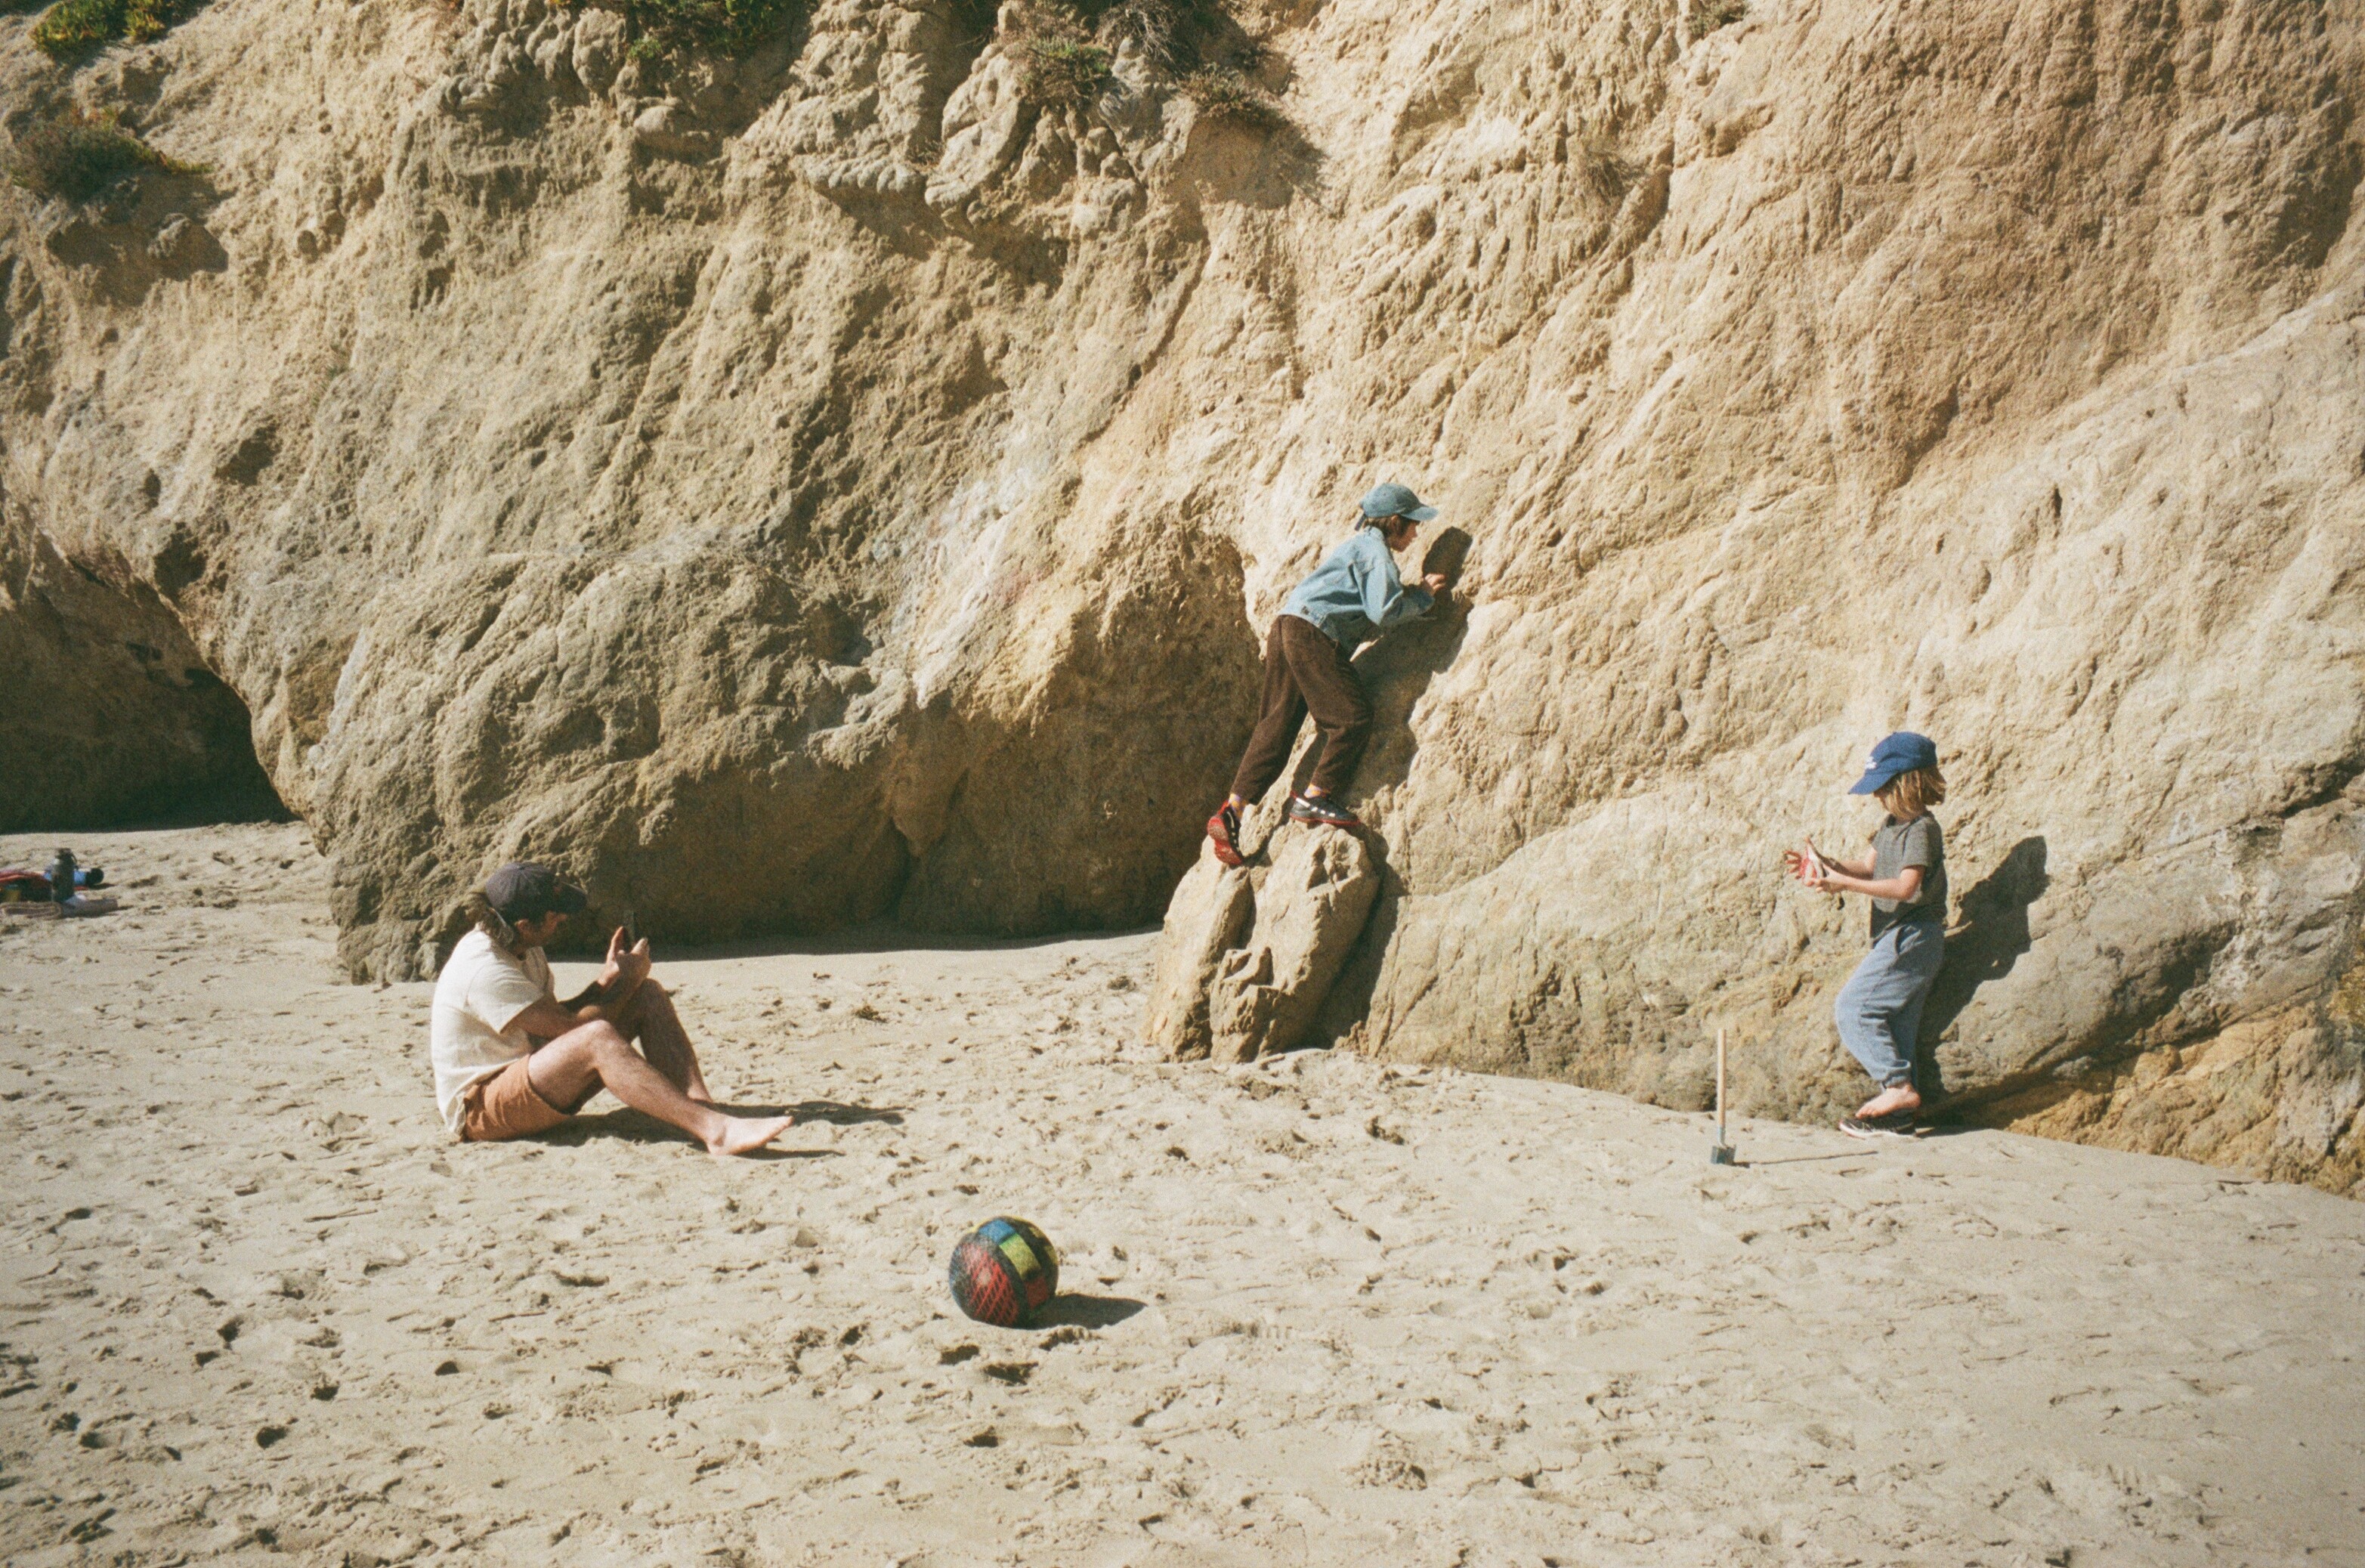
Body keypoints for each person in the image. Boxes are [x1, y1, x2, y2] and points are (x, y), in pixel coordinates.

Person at [428, 862, 793, 1156]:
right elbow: (572, 1029)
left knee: (647, 994)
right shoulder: (486, 968)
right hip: (479, 1109)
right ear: (525, 925)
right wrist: (624, 981)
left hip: (525, 1071)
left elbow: (552, 1020)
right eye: (555, 915)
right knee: (597, 1038)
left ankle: (702, 1109)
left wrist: (608, 980)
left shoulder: (523, 946)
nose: (563, 920)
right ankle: (717, 1132)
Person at [1206, 482, 1451, 864]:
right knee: (1352, 717)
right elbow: (1383, 611)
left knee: (1276, 725)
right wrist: (1422, 597)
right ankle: (1315, 797)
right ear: (1394, 523)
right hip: (1313, 634)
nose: (1416, 533)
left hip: (1286, 625)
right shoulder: (1377, 554)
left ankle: (1231, 811)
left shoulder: (1357, 547)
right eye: (1413, 524)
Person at [1785, 732, 1950, 1140]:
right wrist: (1825, 865)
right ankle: (1901, 1114)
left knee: (1854, 1008)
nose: (1876, 796)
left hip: (1913, 935)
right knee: (1898, 1025)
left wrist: (1843, 884)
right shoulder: (1892, 824)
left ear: (1907, 782)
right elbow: (1869, 867)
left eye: (1882, 787)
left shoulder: (1922, 830)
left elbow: (1906, 888)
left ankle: (1898, 1089)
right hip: (1900, 936)